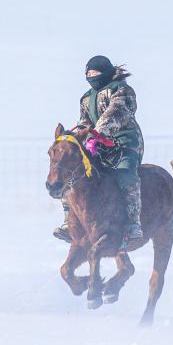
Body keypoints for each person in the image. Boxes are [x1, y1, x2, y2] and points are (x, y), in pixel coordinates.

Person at [53, 55, 145, 245]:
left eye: (95, 73)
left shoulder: (122, 90)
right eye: (88, 73)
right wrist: (75, 134)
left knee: (126, 175)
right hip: (96, 144)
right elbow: (85, 122)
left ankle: (133, 223)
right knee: (73, 173)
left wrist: (95, 133)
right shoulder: (87, 98)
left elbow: (116, 113)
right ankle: (69, 221)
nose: (91, 76)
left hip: (124, 143)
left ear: (107, 72)